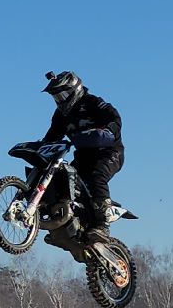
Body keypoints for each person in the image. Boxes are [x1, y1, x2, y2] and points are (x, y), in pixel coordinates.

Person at [40, 71, 124, 244]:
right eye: (56, 97)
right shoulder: (61, 115)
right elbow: (52, 137)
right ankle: (63, 225)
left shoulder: (93, 102)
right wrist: (40, 148)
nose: (60, 100)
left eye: (63, 94)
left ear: (74, 90)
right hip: (83, 157)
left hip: (108, 153)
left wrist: (108, 131)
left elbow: (114, 118)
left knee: (96, 177)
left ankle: (102, 225)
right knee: (63, 179)